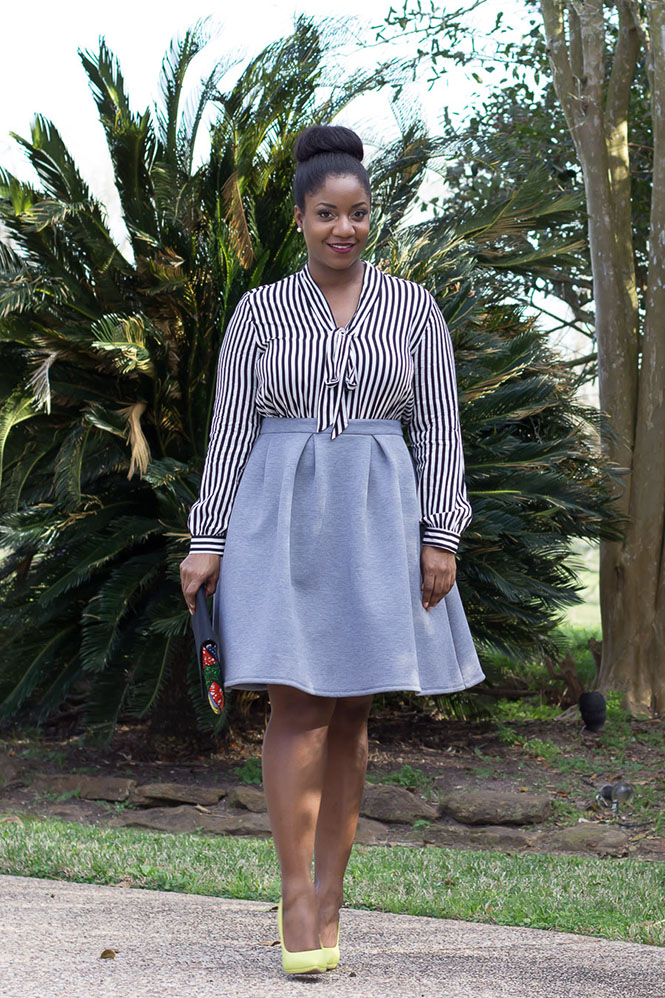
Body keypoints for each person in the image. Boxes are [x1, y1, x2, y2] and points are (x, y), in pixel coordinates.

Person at [179, 124, 485, 976]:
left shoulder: (413, 308)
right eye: (325, 214)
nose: (342, 229)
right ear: (302, 218)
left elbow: (440, 433)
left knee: (352, 712)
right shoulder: (261, 310)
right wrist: (208, 540)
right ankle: (295, 894)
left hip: (383, 514)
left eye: (356, 214)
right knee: (298, 706)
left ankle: (336, 891)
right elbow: (230, 430)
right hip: (281, 513)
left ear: (368, 217)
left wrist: (440, 536)